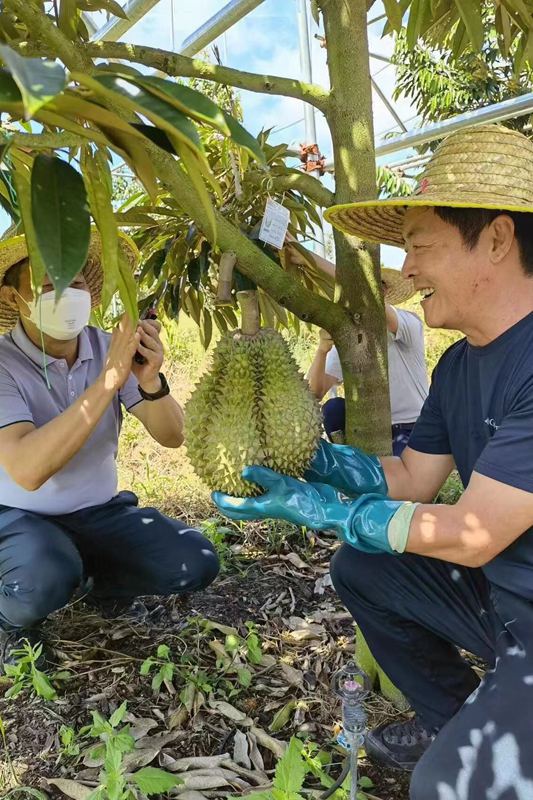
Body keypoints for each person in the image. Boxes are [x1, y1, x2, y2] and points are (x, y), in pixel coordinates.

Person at [214, 124, 533, 798]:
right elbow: (413, 479)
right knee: (364, 567)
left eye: (420, 248)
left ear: (498, 240)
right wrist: (321, 467)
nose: (408, 270)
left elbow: (470, 535)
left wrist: (328, 511)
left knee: (442, 789)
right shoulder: (458, 364)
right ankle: (455, 722)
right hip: (505, 600)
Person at [0, 228, 219, 669]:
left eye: (75, 283)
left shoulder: (107, 348)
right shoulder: (3, 363)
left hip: (98, 511)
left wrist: (149, 381)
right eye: (46, 286)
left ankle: (103, 584)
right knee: (43, 575)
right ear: (12, 298)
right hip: (17, 515)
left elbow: (173, 436)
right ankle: (11, 620)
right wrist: (109, 381)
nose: (65, 293)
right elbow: (27, 469)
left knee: (195, 561)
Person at [287, 243, 428, 454]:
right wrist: (322, 350)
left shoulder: (407, 325)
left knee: (394, 483)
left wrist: (310, 259)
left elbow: (367, 295)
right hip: (367, 427)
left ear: (385, 293)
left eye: (377, 287)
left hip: (411, 427)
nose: (365, 294)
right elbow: (313, 393)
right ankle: (349, 457)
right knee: (333, 409)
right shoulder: (349, 338)